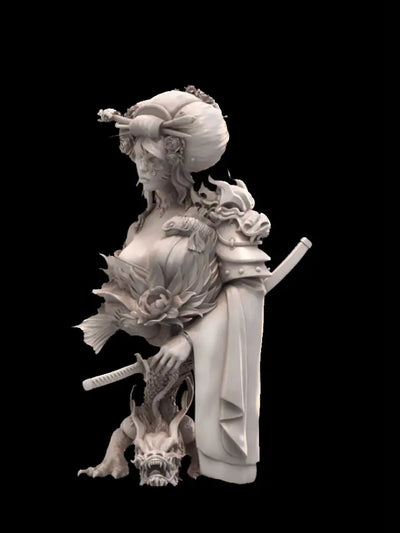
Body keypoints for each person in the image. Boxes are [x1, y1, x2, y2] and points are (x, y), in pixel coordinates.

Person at [78, 86, 272, 484]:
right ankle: (132, 451)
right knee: (154, 406)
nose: (142, 166)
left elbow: (244, 295)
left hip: (192, 357)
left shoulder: (216, 214)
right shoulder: (141, 223)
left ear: (177, 160)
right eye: (137, 155)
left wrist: (190, 340)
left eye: (153, 158)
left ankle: (200, 453)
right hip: (154, 359)